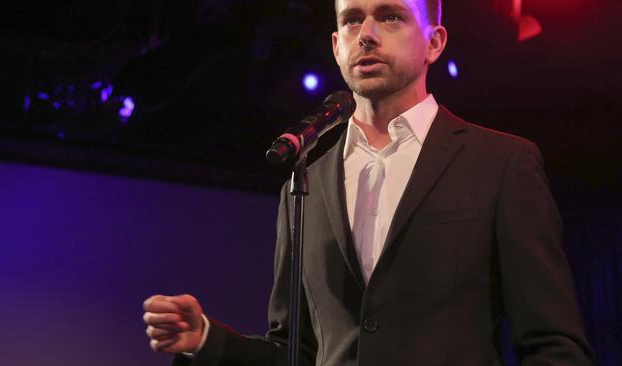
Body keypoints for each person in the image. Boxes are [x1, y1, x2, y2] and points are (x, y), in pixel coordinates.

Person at [143, 0, 595, 364]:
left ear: (434, 42)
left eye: (391, 16)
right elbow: (294, 351)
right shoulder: (306, 178)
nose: (368, 34)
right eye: (353, 19)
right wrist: (206, 339)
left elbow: (554, 345)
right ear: (337, 45)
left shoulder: (500, 163)